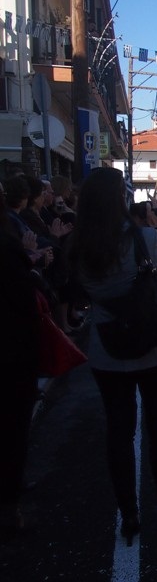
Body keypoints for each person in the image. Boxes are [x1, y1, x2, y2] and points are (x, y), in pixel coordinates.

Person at [69, 167, 157, 544]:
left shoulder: (76, 245)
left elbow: (79, 293)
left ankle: (129, 513)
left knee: (118, 432)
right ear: (120, 200)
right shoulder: (145, 237)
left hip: (107, 348)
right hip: (154, 344)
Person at [0, 179, 40, 535]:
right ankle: (9, 507)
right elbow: (26, 298)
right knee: (12, 427)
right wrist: (30, 260)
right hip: (11, 352)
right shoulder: (8, 244)